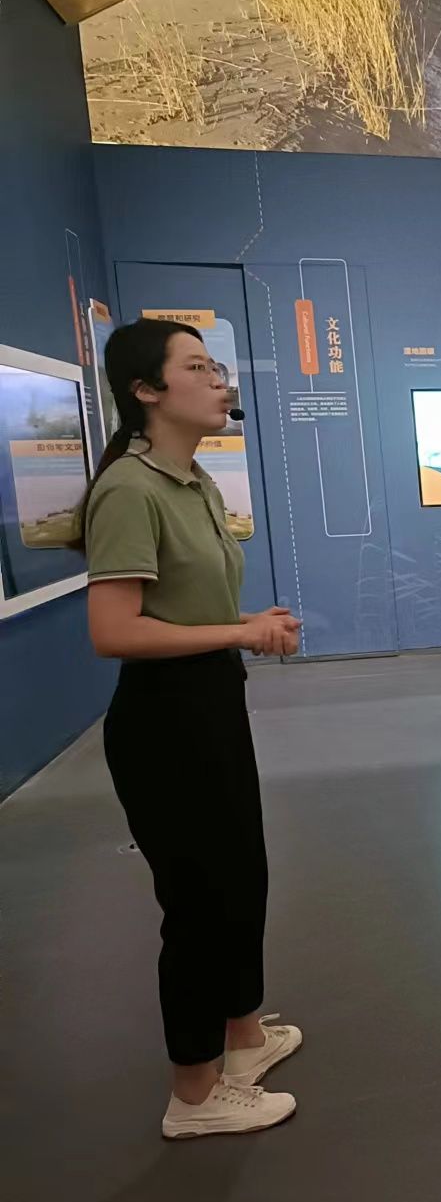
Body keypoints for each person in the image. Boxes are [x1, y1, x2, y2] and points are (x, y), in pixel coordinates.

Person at [75, 318, 304, 1139]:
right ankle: (195, 1095)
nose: (219, 380)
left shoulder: (193, 480)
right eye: (198, 367)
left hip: (211, 700)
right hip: (164, 720)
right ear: (146, 391)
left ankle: (241, 1039)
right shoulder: (129, 489)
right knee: (200, 901)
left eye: (217, 367)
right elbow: (113, 630)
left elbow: (184, 604)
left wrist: (245, 626)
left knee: (241, 878)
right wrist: (240, 631)